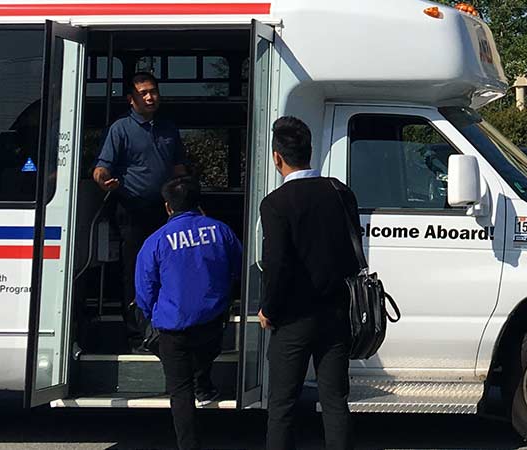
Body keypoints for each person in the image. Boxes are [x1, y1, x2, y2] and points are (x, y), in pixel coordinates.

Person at [259, 116, 360, 450]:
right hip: (336, 313)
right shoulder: (341, 192)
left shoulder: (275, 203)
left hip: (293, 317)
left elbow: (276, 264)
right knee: (334, 401)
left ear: (277, 157)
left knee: (282, 405)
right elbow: (353, 254)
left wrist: (268, 308)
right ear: (310, 151)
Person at [135, 176, 243, 450]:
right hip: (211, 326)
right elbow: (239, 269)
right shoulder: (222, 231)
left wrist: (151, 317)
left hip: (173, 329)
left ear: (168, 207)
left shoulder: (155, 241)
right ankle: (204, 382)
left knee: (180, 393)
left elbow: (145, 290)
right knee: (204, 357)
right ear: (199, 204)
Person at [94, 72, 189, 352]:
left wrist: (190, 200)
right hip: (132, 209)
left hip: (167, 212)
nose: (150, 97)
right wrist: (103, 181)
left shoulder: (169, 128)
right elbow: (101, 168)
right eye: (143, 93)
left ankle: (167, 330)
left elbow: (179, 169)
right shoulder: (120, 129)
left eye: (154, 91)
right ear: (131, 99)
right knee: (136, 272)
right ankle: (136, 335)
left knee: (170, 270)